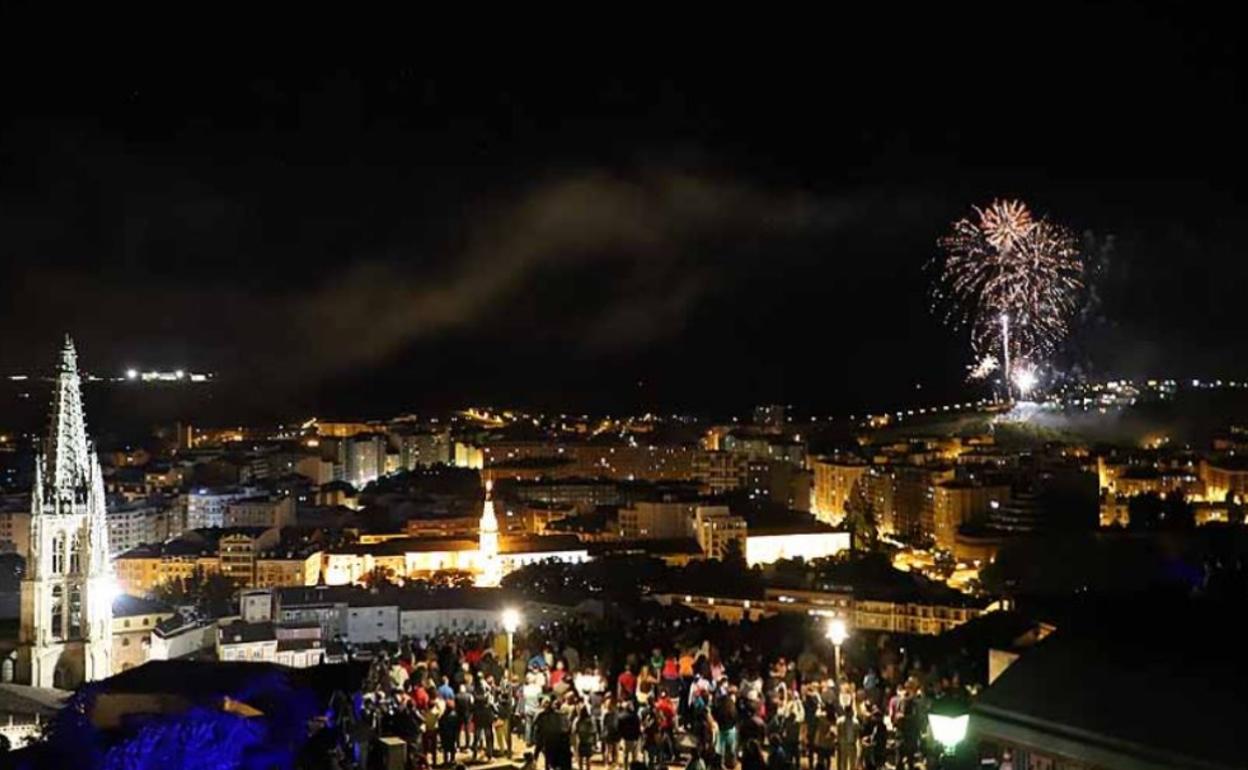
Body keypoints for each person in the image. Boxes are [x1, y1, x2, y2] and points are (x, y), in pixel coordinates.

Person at [573, 703, 599, 770]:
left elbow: (574, 731)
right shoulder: (591, 719)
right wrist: (595, 742)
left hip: (580, 741)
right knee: (588, 759)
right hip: (589, 741)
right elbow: (595, 731)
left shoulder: (577, 720)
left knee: (580, 759)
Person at [619, 700, 642, 769]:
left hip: (626, 739)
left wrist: (621, 736)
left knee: (625, 755)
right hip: (635, 738)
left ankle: (625, 768)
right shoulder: (636, 716)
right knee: (634, 756)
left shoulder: (622, 716)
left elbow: (620, 728)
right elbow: (638, 727)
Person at [438, 698, 461, 767]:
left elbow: (440, 725)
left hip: (445, 734)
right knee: (452, 748)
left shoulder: (443, 716)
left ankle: (446, 762)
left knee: (446, 749)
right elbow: (458, 725)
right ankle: (452, 760)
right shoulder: (455, 715)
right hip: (453, 734)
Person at [602, 694, 621, 767]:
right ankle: (614, 763)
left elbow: (603, 724)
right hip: (613, 732)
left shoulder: (606, 713)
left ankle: (607, 763)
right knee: (614, 749)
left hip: (609, 732)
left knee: (608, 749)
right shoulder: (615, 713)